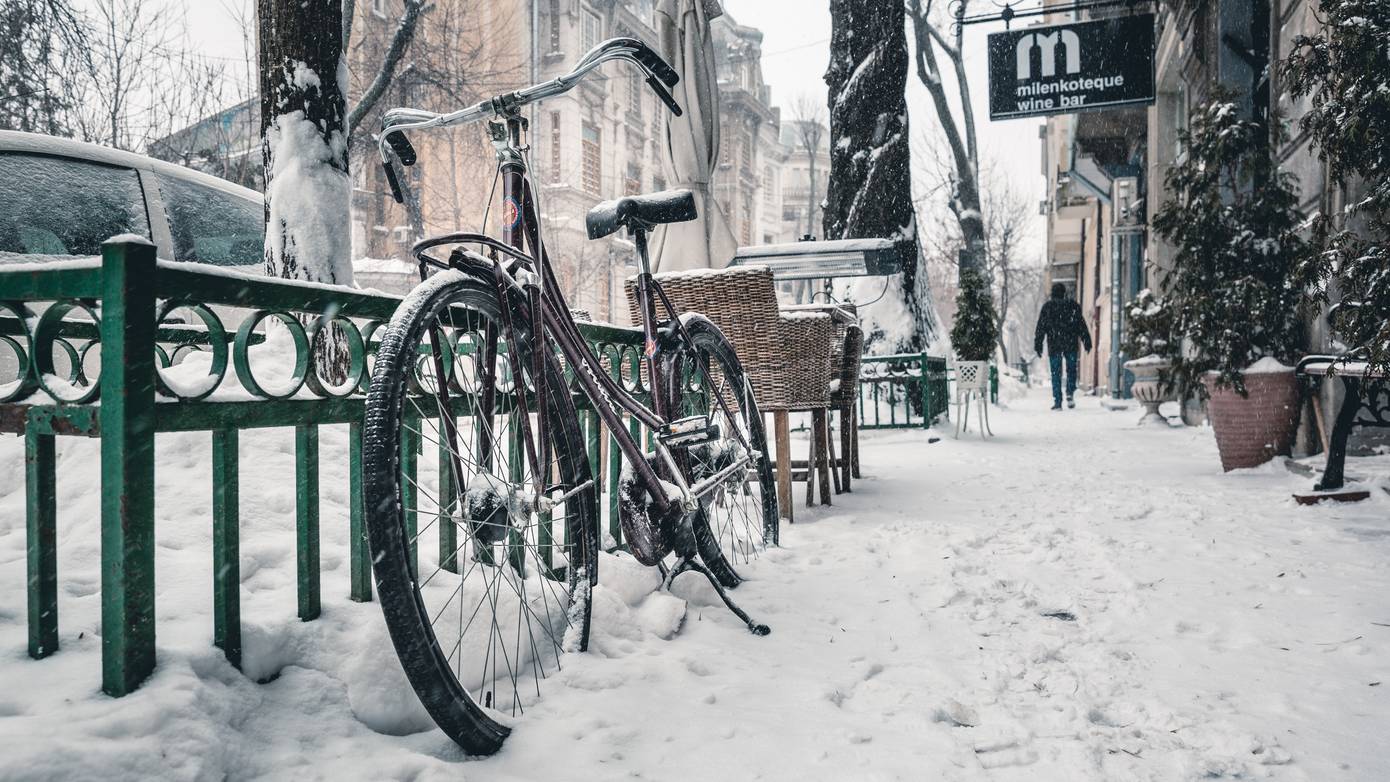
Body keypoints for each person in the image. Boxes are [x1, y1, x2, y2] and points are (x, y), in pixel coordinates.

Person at [1033, 282, 1092, 410]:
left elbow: (1040, 328)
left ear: (1053, 293)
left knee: (1056, 373)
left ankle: (1058, 401)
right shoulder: (1073, 306)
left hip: (1054, 344)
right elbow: (1081, 325)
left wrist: (1038, 345)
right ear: (1064, 293)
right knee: (1071, 370)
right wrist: (1086, 341)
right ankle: (1070, 392)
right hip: (1070, 343)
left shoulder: (1047, 307)